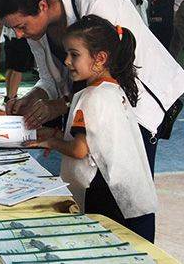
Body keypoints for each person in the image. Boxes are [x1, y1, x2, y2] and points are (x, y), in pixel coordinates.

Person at [0, 0, 184, 176]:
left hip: (135, 99)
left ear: (42, 6)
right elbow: (50, 79)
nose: (19, 35)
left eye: (21, 26)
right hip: (90, 105)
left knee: (125, 180)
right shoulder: (36, 28)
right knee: (91, 179)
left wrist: (61, 105)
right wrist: (33, 97)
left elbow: (110, 76)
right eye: (13, 28)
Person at [26, 15, 157, 242]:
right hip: (128, 193)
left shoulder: (90, 97)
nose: (67, 61)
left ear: (100, 58)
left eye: (74, 55)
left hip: (105, 195)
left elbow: (79, 150)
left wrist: (49, 141)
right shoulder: (114, 90)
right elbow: (97, 140)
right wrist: (56, 134)